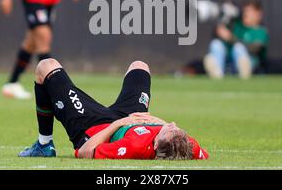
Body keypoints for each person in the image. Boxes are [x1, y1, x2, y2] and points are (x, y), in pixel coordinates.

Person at [18, 58, 209, 160]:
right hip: (128, 118)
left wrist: (120, 123)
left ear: (156, 145)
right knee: (140, 67)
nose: (173, 124)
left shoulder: (133, 147)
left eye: (169, 129)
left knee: (46, 66)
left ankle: (44, 145)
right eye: (176, 128)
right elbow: (202, 154)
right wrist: (161, 124)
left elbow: (86, 152)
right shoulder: (186, 145)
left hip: (95, 127)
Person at [203, 0, 269, 79]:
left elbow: (254, 49)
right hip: (229, 63)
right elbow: (218, 34)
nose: (245, 14)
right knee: (216, 43)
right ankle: (216, 72)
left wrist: (230, 38)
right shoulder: (237, 26)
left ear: (258, 14)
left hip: (250, 62)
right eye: (244, 11)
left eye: (249, 11)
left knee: (239, 48)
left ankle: (244, 73)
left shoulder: (261, 31)